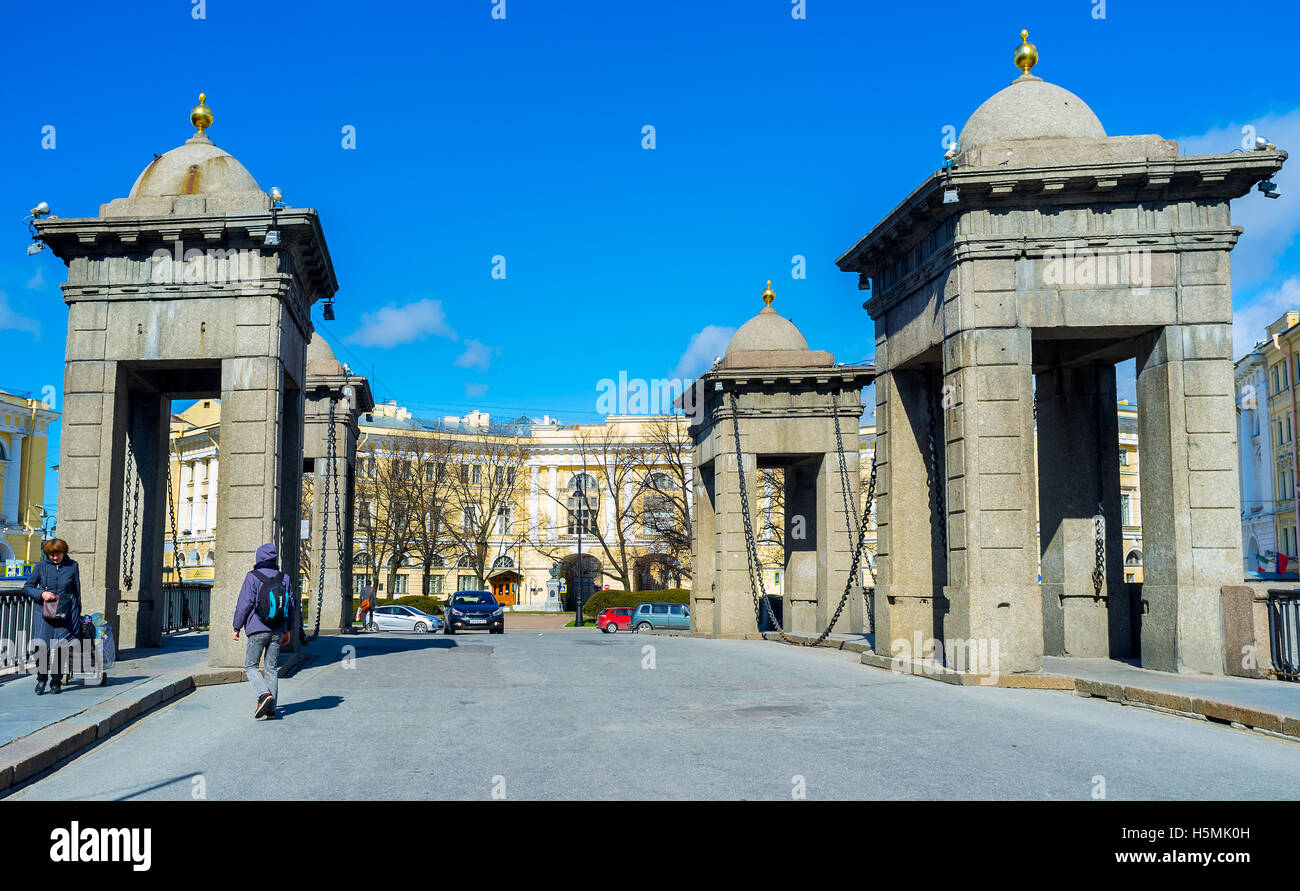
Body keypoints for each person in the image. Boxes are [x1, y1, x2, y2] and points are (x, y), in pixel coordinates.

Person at [232, 543, 297, 719]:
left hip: (256, 629)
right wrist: (288, 629)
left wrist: (236, 627)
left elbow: (243, 604)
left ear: (259, 558)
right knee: (271, 668)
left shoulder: (252, 577)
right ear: (275, 559)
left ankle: (263, 695)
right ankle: (271, 708)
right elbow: (291, 606)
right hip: (277, 630)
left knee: (251, 666)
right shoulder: (285, 578)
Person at [22, 538, 82, 695]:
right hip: (44, 613)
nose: (55, 557)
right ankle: (42, 678)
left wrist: (76, 616)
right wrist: (42, 593)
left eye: (58, 554)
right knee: (41, 646)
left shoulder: (73, 566)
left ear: (64, 552)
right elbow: (27, 587)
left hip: (65, 613)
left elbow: (76, 593)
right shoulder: (40, 567)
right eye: (51, 555)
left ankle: (56, 681)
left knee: (61, 648)